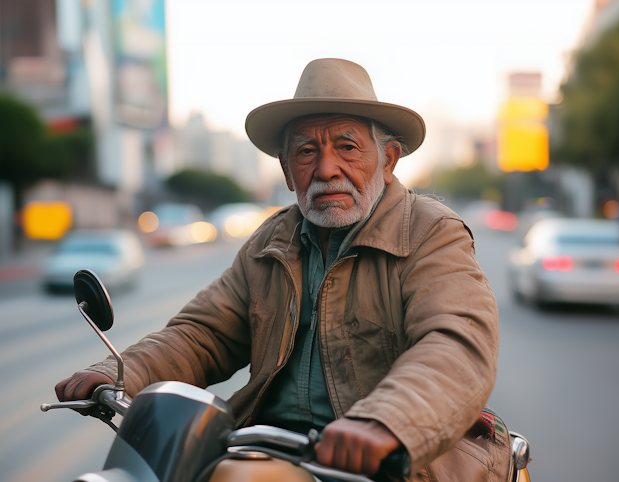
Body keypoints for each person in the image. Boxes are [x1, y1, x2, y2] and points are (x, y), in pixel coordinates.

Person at [56, 59, 507, 481]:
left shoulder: (431, 232)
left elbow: (455, 341)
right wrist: (121, 372)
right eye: (307, 151)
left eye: (347, 147)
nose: (327, 168)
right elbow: (203, 334)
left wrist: (387, 419)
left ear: (388, 160)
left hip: (390, 462)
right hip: (271, 452)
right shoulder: (271, 242)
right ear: (288, 172)